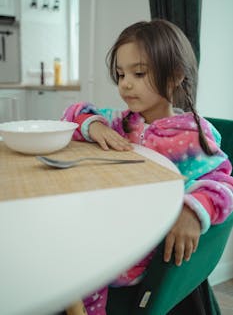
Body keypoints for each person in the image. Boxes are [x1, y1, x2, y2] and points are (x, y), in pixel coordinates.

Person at [62, 19, 233, 315]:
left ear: (175, 75)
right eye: (120, 74)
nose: (126, 83)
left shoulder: (189, 136)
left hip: (135, 253)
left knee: (60, 265)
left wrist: (192, 210)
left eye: (138, 73)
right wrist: (94, 126)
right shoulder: (122, 122)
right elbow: (74, 113)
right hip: (109, 228)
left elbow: (223, 183)